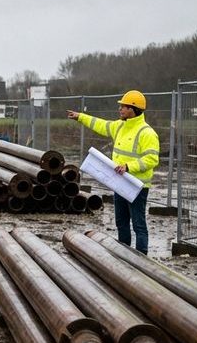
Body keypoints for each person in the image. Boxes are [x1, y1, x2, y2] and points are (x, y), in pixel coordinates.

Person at [67, 90, 159, 254]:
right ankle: (124, 254)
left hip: (137, 186)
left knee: (138, 224)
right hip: (120, 183)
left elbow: (152, 159)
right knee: (121, 222)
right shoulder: (120, 126)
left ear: (133, 109)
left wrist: (128, 166)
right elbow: (101, 124)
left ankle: (142, 258)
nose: (120, 109)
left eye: (123, 107)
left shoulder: (147, 133)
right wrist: (80, 117)